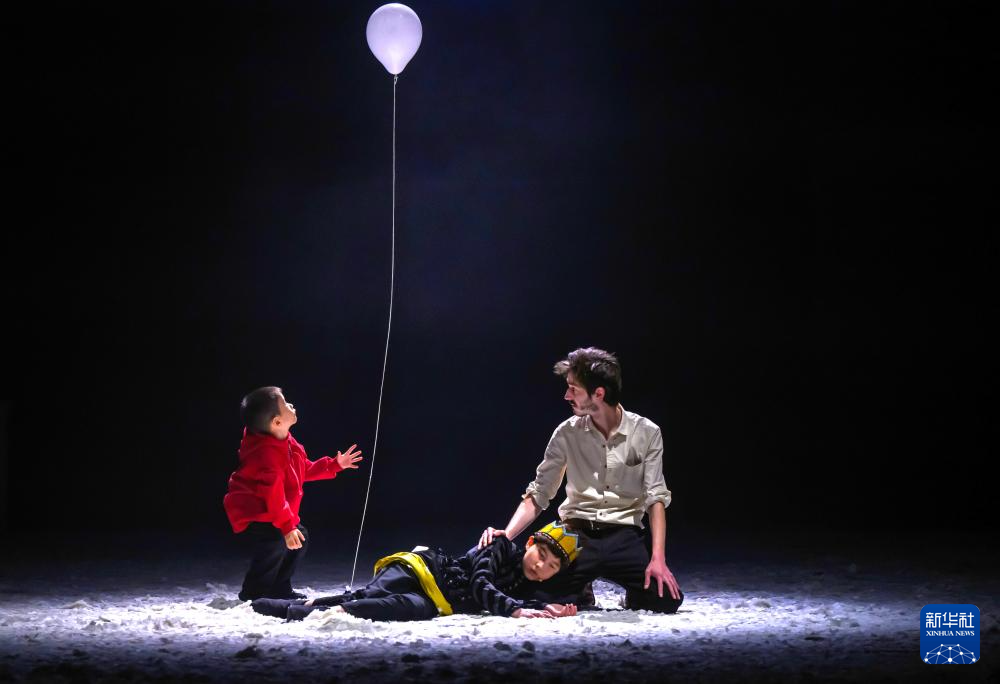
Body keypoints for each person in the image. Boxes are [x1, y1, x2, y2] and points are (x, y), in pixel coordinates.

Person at [480, 347, 684, 613]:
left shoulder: (647, 432)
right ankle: (581, 589)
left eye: (573, 389)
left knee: (666, 599)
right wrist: (506, 536)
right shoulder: (567, 433)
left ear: (598, 394)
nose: (567, 395)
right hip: (576, 535)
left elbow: (656, 497)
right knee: (531, 592)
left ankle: (625, 594)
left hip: (624, 535)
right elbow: (540, 492)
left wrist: (658, 558)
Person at [251, 521, 583, 622]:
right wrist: (516, 610)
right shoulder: (498, 546)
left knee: (400, 609)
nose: (541, 566)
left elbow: (520, 600)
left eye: (551, 566)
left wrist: (547, 608)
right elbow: (481, 584)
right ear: (529, 544)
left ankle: (307, 611)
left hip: (438, 602)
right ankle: (299, 605)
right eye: (541, 555)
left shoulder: (527, 586)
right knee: (374, 592)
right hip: (425, 569)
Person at [224, 386, 363, 601]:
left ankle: (279, 587)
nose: (291, 405)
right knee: (274, 541)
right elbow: (273, 496)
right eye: (286, 404)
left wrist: (334, 465)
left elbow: (302, 469)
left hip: (272, 509)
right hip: (255, 509)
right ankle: (253, 593)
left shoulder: (286, 441)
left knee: (300, 537)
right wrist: (287, 526)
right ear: (276, 422)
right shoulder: (266, 457)